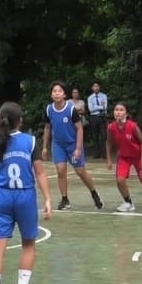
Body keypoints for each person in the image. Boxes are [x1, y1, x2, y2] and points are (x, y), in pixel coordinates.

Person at [0, 102, 52, 284]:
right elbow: (39, 172)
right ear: (20, 121)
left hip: (2, 196)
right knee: (28, 243)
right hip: (25, 197)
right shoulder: (30, 142)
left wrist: (0, 194)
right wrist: (47, 198)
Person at [43, 80, 104, 210]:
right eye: (54, 91)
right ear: (51, 94)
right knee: (60, 171)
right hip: (58, 144)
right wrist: (44, 147)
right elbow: (47, 128)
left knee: (80, 171)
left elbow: (79, 129)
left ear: (64, 95)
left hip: (72, 144)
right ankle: (65, 199)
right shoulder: (49, 109)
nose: (57, 93)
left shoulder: (71, 110)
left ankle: (94, 193)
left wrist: (78, 148)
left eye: (59, 91)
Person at [87, 82, 109, 159]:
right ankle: (97, 153)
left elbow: (105, 107)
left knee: (104, 135)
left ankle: (104, 154)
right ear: (92, 88)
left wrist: (96, 107)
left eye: (97, 86)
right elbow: (90, 109)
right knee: (95, 135)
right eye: (94, 86)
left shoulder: (104, 96)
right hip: (94, 117)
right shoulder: (90, 98)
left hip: (102, 116)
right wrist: (100, 106)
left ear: (99, 87)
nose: (96, 88)